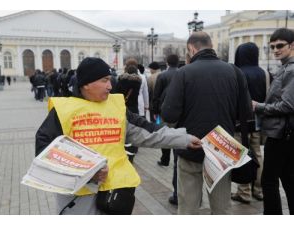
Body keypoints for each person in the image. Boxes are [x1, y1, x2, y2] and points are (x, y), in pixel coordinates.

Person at [35, 57, 202, 215]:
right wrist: (86, 172)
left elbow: (148, 132)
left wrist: (185, 139)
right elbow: (45, 150)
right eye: (104, 80)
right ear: (86, 84)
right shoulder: (64, 110)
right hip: (76, 199)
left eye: (109, 79)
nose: (110, 86)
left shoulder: (116, 107)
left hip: (114, 194)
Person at [161, 31, 251, 214]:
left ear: (191, 48)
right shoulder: (234, 71)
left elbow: (169, 114)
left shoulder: (183, 72)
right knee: (221, 207)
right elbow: (246, 111)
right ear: (211, 46)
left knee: (188, 206)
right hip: (222, 148)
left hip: (191, 146)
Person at [252, 28, 294, 215]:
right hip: (281, 133)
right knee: (287, 178)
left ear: (292, 46)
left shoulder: (291, 70)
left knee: (269, 180)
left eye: (280, 46)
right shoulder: (285, 68)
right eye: (272, 47)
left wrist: (258, 106)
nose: (276, 49)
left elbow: (287, 105)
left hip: (281, 134)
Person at [231, 42, 266, 204]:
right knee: (258, 153)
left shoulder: (237, 72)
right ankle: (258, 189)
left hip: (240, 123)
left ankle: (244, 192)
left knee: (242, 156)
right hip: (258, 122)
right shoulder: (265, 73)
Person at [153, 54, 180, 206]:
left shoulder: (163, 76)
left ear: (167, 63)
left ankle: (164, 158)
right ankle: (173, 155)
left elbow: (156, 95)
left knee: (164, 135)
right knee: (176, 137)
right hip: (179, 114)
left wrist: (155, 110)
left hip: (165, 111)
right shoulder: (183, 73)